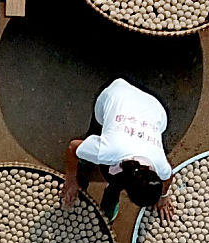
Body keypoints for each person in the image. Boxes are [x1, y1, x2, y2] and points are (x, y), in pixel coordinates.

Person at [61, 77, 175, 221]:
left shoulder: (160, 165)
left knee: (112, 176)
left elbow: (168, 177)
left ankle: (111, 194)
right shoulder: (106, 151)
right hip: (116, 95)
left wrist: (163, 197)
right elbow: (72, 147)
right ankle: (85, 159)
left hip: (154, 110)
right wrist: (71, 180)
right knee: (95, 137)